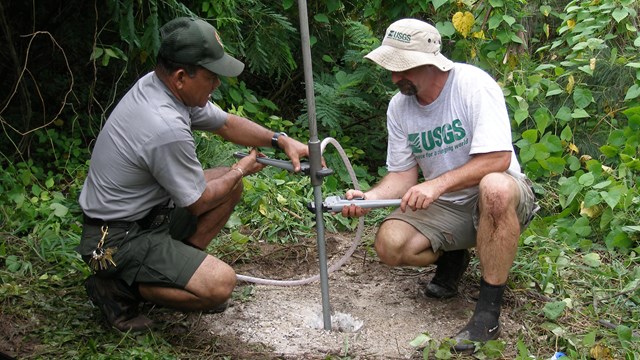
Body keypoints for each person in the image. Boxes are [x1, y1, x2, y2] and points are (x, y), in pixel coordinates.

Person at [77, 17, 309, 332]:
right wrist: (242, 169)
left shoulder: (163, 86)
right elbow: (198, 202)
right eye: (212, 77)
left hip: (146, 216)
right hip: (114, 240)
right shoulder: (164, 125)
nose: (217, 85)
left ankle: (174, 268)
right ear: (182, 76)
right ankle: (118, 289)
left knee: (227, 183)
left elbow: (226, 124)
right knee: (220, 286)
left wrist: (280, 140)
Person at [339, 18, 538, 352]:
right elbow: (402, 177)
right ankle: (454, 256)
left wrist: (437, 185)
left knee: (494, 187)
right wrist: (368, 196)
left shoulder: (473, 85)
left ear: (429, 61)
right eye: (391, 68)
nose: (394, 78)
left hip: (503, 195)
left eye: (402, 69)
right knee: (390, 244)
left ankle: (487, 314)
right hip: (449, 205)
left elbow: (498, 159)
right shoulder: (399, 107)